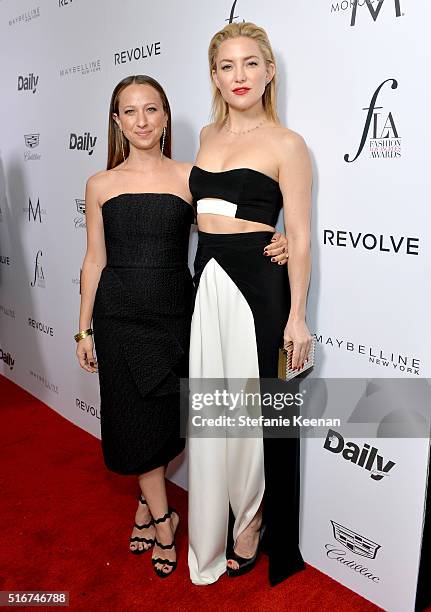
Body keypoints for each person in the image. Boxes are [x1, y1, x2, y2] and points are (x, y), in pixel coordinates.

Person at [75, 74, 288, 578]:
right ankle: (165, 518)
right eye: (130, 112)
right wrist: (83, 327)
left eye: (152, 110)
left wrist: (277, 239)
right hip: (118, 315)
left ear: (166, 117)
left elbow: (228, 226)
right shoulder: (99, 184)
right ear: (116, 121)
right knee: (133, 418)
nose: (142, 121)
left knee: (168, 423)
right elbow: (93, 260)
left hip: (176, 313)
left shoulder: (190, 176)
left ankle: (146, 505)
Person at [187, 22, 312, 586]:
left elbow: (302, 236)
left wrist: (299, 316)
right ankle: (226, 513)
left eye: (250, 64)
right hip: (208, 279)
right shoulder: (206, 137)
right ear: (214, 77)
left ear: (269, 72)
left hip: (260, 287)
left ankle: (256, 521)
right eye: (226, 66)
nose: (239, 76)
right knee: (217, 411)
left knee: (257, 412)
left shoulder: (287, 144)